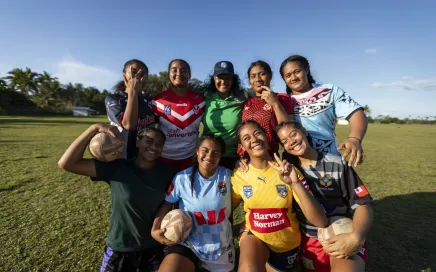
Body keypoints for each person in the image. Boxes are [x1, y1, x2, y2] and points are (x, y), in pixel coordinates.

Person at [58, 124, 174, 272]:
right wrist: (93, 129)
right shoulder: (116, 168)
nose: (154, 146)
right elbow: (66, 163)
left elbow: (170, 203)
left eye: (159, 144)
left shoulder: (167, 172)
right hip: (121, 247)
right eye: (149, 141)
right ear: (138, 142)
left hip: (154, 247)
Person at [276, 120, 373, 272]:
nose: (291, 142)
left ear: (304, 131)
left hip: (343, 233)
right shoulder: (287, 172)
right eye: (284, 141)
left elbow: (363, 204)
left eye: (293, 134)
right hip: (310, 239)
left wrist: (356, 236)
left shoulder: (336, 163)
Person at [231, 120, 328, 272]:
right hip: (255, 236)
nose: (254, 140)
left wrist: (295, 183)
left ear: (266, 136)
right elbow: (226, 208)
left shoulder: (288, 170)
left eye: (257, 133)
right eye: (247, 138)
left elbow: (320, 221)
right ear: (242, 147)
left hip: (287, 244)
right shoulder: (239, 174)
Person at [151, 135, 235, 272]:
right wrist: (155, 228)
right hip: (189, 243)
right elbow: (167, 203)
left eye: (216, 153)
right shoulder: (182, 178)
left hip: (220, 246)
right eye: (205, 150)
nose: (209, 156)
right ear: (197, 151)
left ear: (221, 156)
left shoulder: (229, 176)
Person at [279, 55, 368, 167]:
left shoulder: (329, 91)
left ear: (306, 69)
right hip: (298, 165)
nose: (293, 77)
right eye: (288, 75)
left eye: (297, 71)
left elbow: (355, 113)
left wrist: (355, 138)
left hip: (330, 161)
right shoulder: (283, 102)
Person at [152, 59, 205, 173]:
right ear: (169, 74)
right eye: (174, 70)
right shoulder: (157, 101)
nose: (179, 73)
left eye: (184, 70)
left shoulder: (200, 101)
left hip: (190, 158)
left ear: (189, 75)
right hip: (164, 157)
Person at [237, 61, 294, 158]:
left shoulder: (282, 98)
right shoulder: (247, 103)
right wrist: (241, 157)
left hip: (269, 156)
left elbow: (289, 128)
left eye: (262, 74)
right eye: (253, 76)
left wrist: (275, 103)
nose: (257, 79)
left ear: (270, 75)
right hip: (247, 158)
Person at [105, 59, 156, 159]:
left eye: (142, 74)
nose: (138, 77)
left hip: (145, 157)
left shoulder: (150, 100)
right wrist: (133, 91)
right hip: (122, 157)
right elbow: (129, 125)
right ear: (124, 76)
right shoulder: (114, 99)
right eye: (133, 72)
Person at [202, 61, 249, 170]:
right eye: (220, 78)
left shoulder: (241, 98)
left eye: (227, 78)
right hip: (208, 156)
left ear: (233, 79)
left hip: (233, 158)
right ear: (214, 79)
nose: (223, 82)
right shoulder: (206, 98)